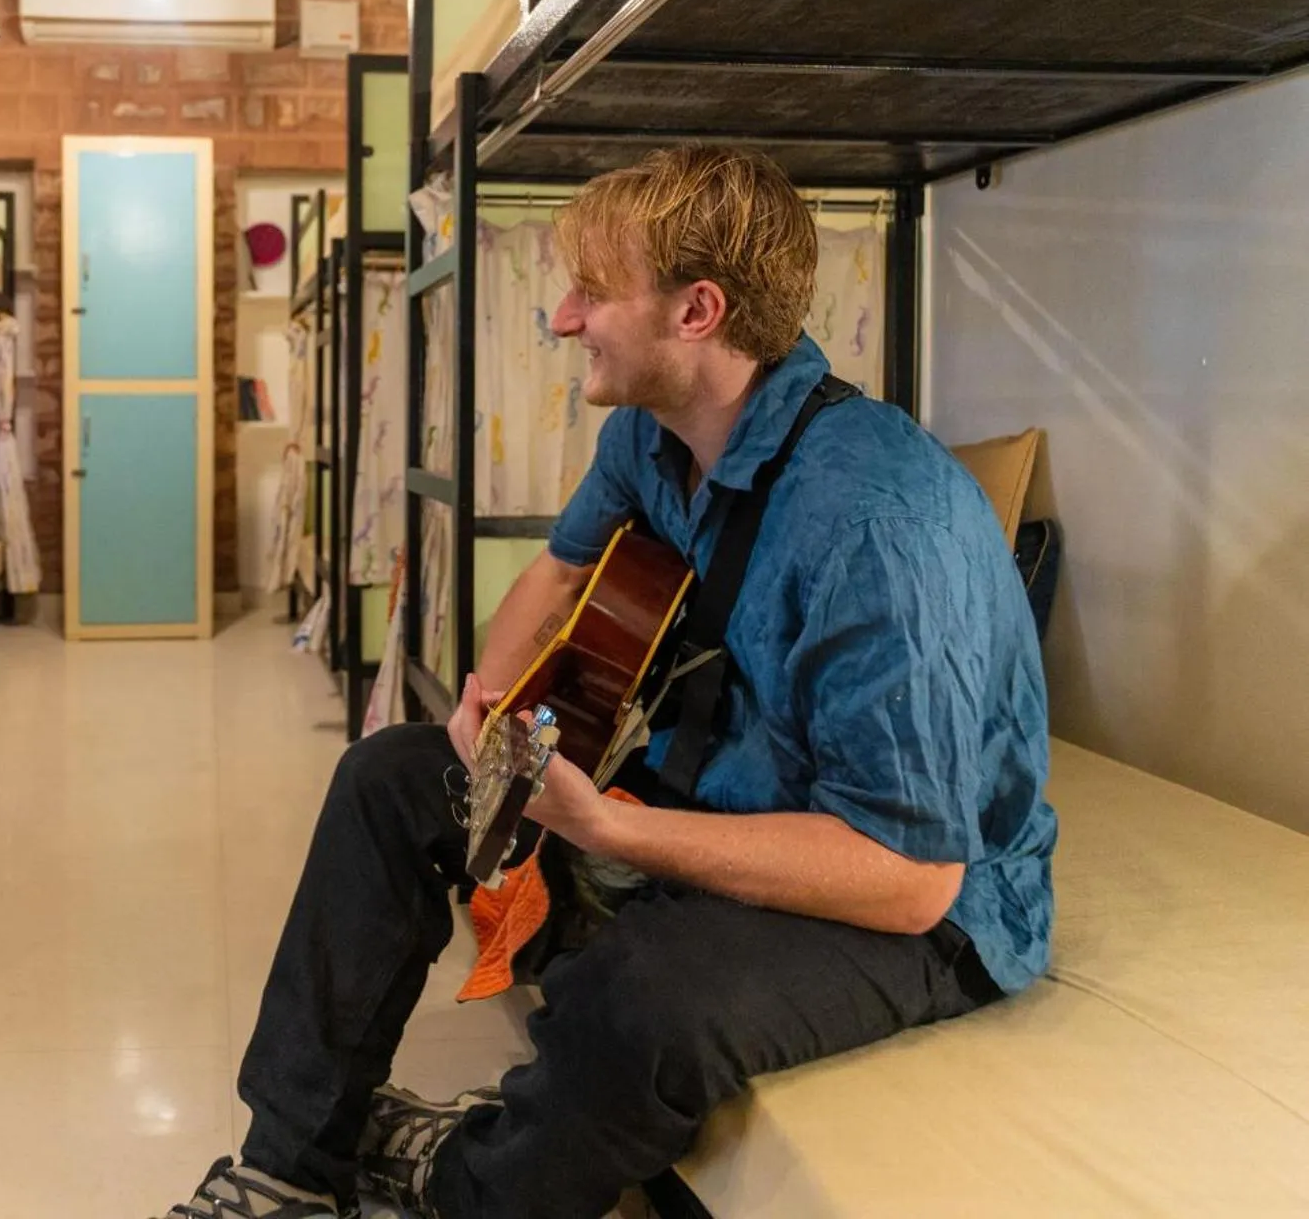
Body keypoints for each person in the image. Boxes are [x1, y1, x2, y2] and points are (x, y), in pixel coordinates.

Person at [159, 147, 1058, 1218]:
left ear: (697, 312)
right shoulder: (651, 430)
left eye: (592, 290)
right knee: (386, 781)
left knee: (634, 997)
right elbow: (562, 567)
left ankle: (456, 1178)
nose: (560, 318)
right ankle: (288, 1171)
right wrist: (488, 711)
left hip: (918, 903)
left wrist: (609, 829)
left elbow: (910, 876)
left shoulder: (877, 524)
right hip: (724, 792)